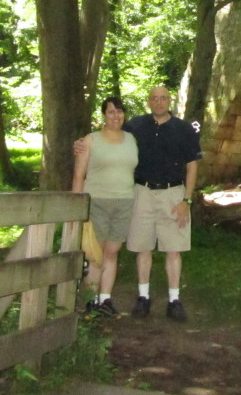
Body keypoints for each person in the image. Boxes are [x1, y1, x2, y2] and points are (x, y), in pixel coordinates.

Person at [124, 86, 202, 322]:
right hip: (142, 192)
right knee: (143, 247)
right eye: (154, 98)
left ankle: (174, 300)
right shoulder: (135, 126)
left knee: (173, 249)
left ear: (170, 101)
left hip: (173, 194)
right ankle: (143, 297)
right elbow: (111, 138)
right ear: (149, 101)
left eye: (163, 98)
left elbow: (192, 166)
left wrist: (186, 201)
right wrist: (83, 143)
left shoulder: (184, 129)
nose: (159, 102)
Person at [72, 96, 137, 317]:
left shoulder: (131, 139)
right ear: (104, 115)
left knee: (112, 252)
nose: (116, 116)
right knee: (95, 254)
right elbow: (79, 175)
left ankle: (105, 299)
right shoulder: (90, 140)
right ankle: (90, 301)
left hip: (124, 202)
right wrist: (77, 207)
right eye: (111, 112)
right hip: (97, 201)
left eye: (119, 111)